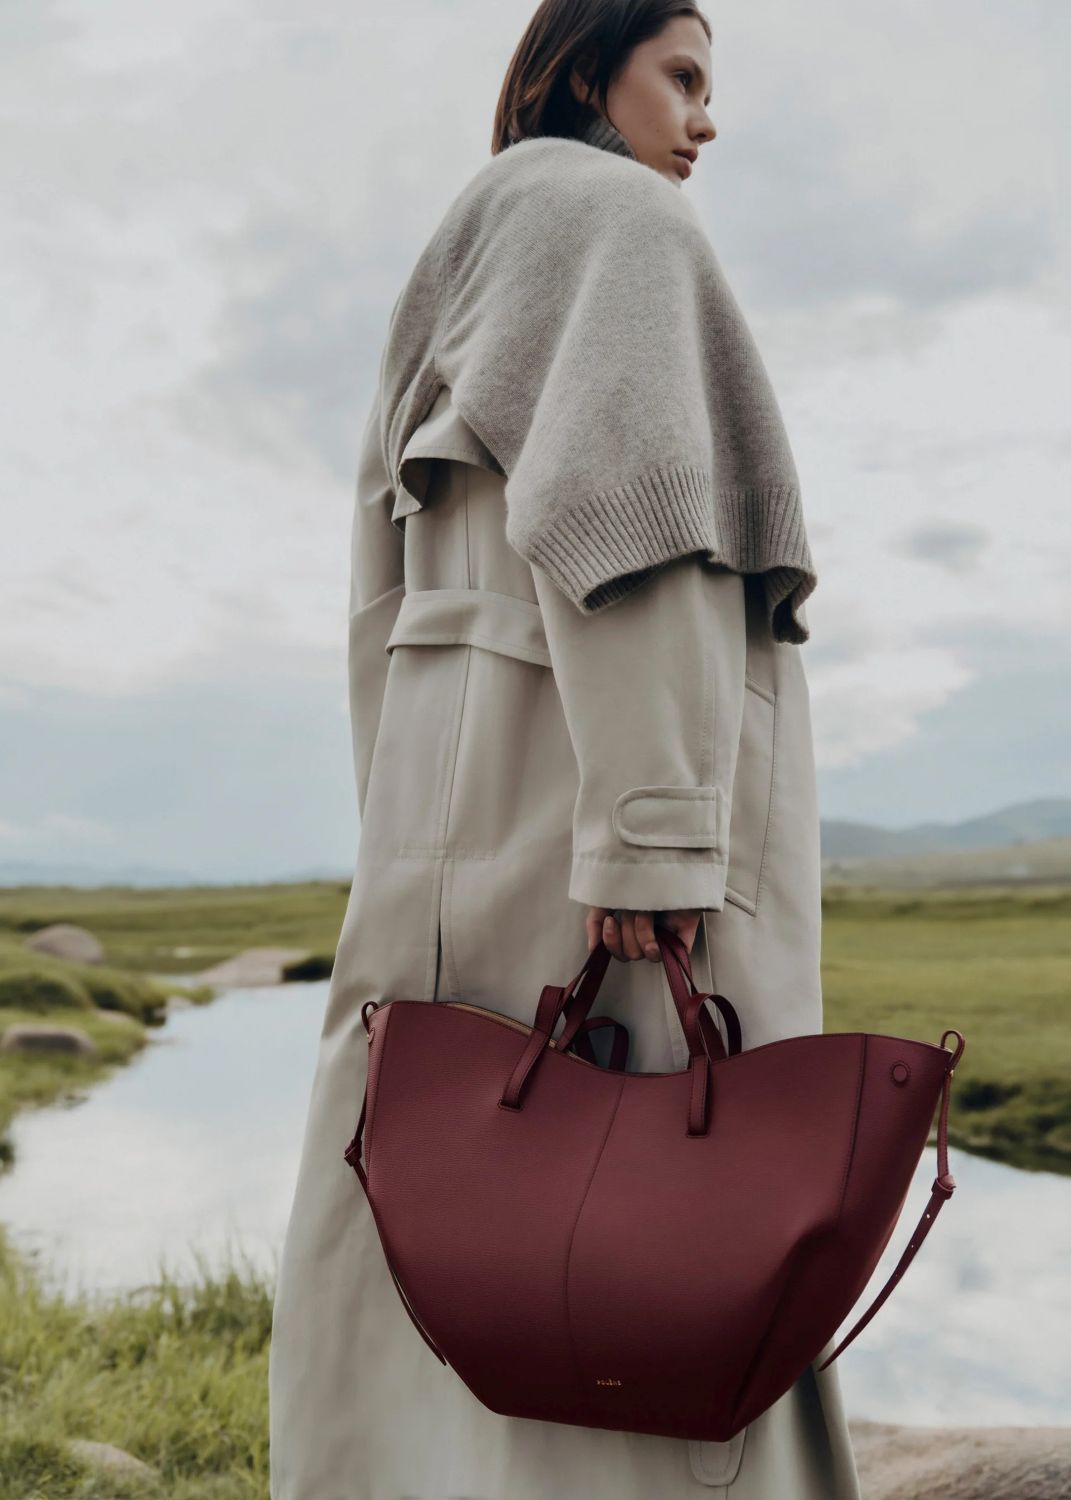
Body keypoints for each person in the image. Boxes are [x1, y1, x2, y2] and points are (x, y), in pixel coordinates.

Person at [268, 3, 864, 1496]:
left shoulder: (467, 242)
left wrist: (399, 820)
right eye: (684, 76)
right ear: (587, 68)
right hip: (591, 803)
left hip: (452, 805)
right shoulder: (614, 220)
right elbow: (638, 532)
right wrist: (655, 833)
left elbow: (379, 599)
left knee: (446, 1176)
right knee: (654, 1198)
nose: (705, 121)